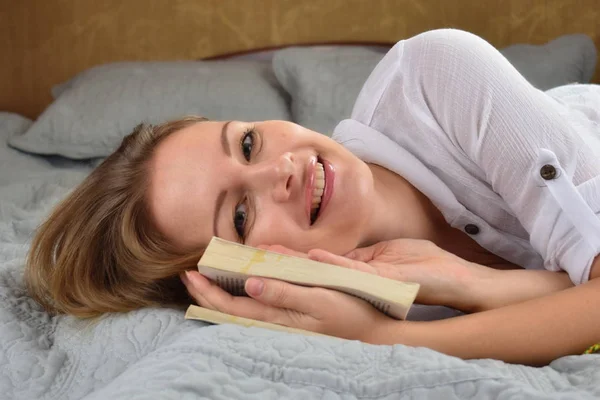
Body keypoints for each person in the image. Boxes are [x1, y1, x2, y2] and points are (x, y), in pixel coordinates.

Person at [25, 29, 600, 366]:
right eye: (242, 214)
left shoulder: (437, 74)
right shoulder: (332, 304)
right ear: (242, 273)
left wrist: (393, 337)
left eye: (247, 142)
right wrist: (474, 289)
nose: (283, 170)